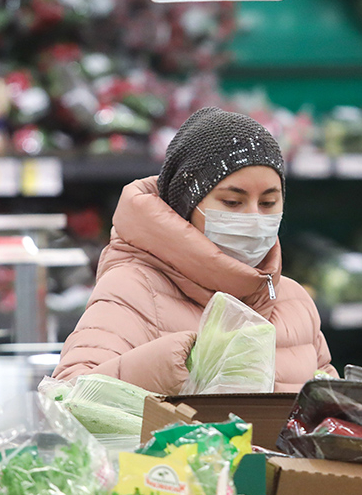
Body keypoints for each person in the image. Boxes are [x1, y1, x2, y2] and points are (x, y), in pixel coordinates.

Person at [54, 107, 336, 393]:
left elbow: (328, 409)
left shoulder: (295, 302)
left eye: (268, 203)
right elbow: (68, 394)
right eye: (232, 202)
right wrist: (163, 368)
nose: (254, 219)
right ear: (187, 207)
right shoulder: (135, 291)